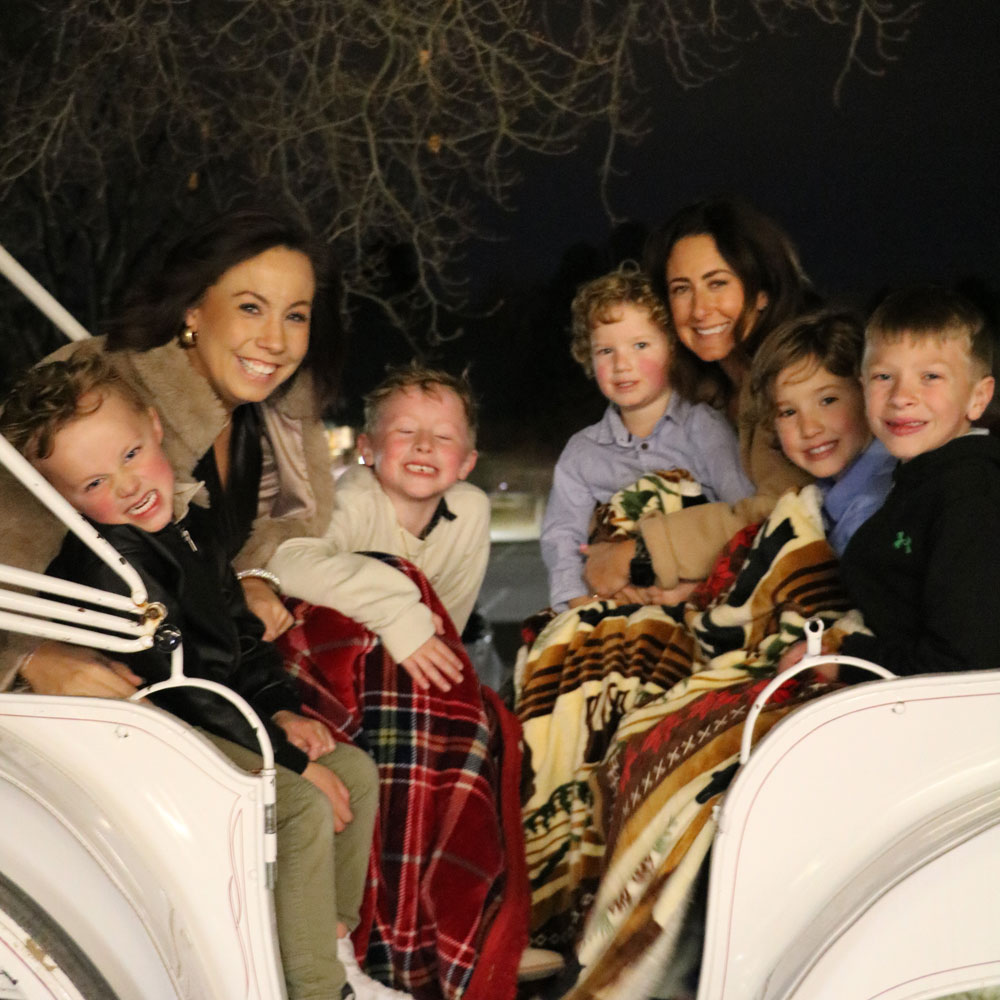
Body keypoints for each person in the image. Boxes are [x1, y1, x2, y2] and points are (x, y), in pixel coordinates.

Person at [0, 209, 527, 1000]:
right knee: (382, 691)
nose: (275, 338)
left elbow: (264, 552)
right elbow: (22, 555)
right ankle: (330, 970)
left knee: (414, 706)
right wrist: (35, 657)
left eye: (296, 314)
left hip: (230, 653)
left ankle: (390, 939)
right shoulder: (102, 398)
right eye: (250, 306)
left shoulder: (277, 410)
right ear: (192, 307)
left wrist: (262, 592)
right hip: (150, 687)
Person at [0, 353, 383, 1000]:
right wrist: (284, 758)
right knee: (296, 806)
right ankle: (314, 987)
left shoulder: (193, 528)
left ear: (154, 427)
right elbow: (183, 693)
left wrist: (283, 709)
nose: (123, 487)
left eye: (129, 455)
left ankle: (330, 947)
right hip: (168, 729)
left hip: (222, 715)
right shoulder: (103, 569)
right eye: (91, 484)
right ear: (63, 501)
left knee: (355, 772)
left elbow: (238, 640)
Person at [583, 197, 818, 598]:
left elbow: (784, 509)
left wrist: (640, 555)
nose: (700, 309)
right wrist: (608, 538)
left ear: (761, 290)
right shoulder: (697, 397)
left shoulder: (802, 379)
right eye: (681, 289)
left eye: (717, 283)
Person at [540, 264, 753, 610]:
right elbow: (561, 537)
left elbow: (742, 517)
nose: (622, 364)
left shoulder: (704, 429)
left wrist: (696, 590)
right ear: (589, 358)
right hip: (607, 608)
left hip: (697, 604)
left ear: (671, 348)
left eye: (640, 345)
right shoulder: (582, 452)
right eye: (606, 351)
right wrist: (581, 603)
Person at [268, 366, 488, 693]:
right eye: (405, 431)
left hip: (402, 668)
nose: (425, 445)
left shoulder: (470, 511)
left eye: (443, 436)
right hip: (320, 668)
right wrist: (397, 611)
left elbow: (447, 626)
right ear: (367, 449)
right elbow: (287, 563)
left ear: (467, 463)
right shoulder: (355, 497)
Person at [817, 286, 999, 675]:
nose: (902, 396)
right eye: (884, 376)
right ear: (863, 385)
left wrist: (843, 661)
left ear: (978, 398)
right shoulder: (920, 477)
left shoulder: (971, 496)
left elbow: (962, 667)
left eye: (930, 376)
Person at [746, 310, 895, 555]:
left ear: (868, 392)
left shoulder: (878, 504)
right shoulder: (823, 495)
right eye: (788, 412)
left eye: (828, 400)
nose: (810, 428)